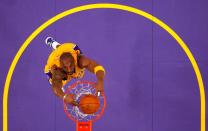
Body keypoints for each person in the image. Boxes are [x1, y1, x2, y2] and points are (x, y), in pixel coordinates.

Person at [44, 37, 105, 106]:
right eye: (65, 67)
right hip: (56, 68)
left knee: (79, 74)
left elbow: (97, 67)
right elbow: (55, 87)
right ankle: (54, 44)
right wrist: (63, 96)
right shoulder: (57, 71)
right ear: (61, 66)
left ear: (74, 61)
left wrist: (100, 81)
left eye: (71, 66)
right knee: (58, 87)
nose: (69, 70)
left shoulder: (80, 60)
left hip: (68, 47)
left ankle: (55, 44)